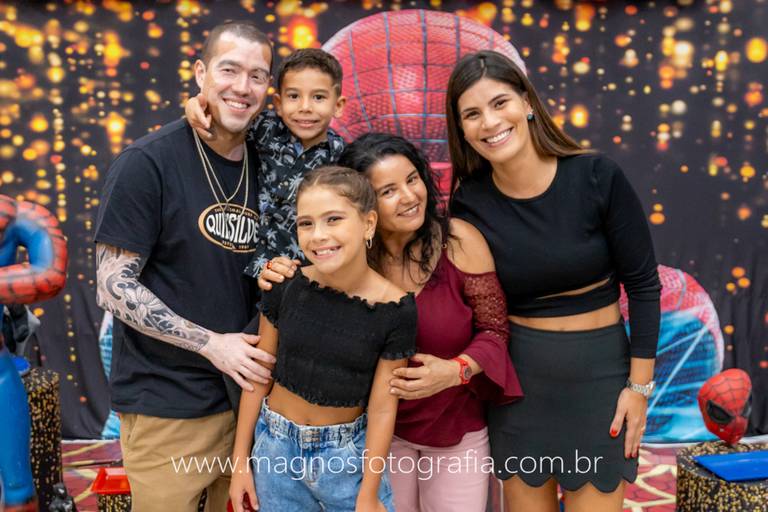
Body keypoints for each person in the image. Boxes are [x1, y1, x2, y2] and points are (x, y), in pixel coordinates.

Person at [446, 50, 661, 511]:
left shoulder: (597, 176)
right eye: (472, 114)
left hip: (601, 381)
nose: (490, 122)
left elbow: (644, 285)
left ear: (527, 103)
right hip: (519, 389)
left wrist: (639, 389)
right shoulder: (469, 204)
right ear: (461, 129)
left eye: (500, 103)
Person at [260, 134, 523, 512]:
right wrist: (276, 271)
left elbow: (495, 330)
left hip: (452, 429)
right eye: (388, 191)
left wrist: (456, 371)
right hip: (376, 437)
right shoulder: (347, 259)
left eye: (412, 179)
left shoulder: (459, 241)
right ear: (363, 207)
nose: (409, 196)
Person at [94, 21, 276, 511]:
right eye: (229, 70)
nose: (242, 87)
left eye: (257, 76)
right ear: (201, 73)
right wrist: (212, 344)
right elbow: (112, 285)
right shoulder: (147, 162)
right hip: (168, 407)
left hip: (249, 409)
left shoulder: (273, 162)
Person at [229, 166, 417, 512]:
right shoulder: (284, 285)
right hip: (275, 453)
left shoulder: (395, 309)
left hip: (346, 462)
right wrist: (241, 461)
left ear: (369, 224)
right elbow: (259, 375)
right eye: (306, 223)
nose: (318, 235)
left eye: (333, 220)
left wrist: (368, 493)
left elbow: (382, 407)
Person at [185, 48, 347, 278]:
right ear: (278, 103)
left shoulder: (342, 157)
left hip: (310, 272)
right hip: (253, 263)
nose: (305, 107)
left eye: (318, 97)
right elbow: (219, 121)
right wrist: (195, 104)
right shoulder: (266, 128)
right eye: (294, 96)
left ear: (338, 105)